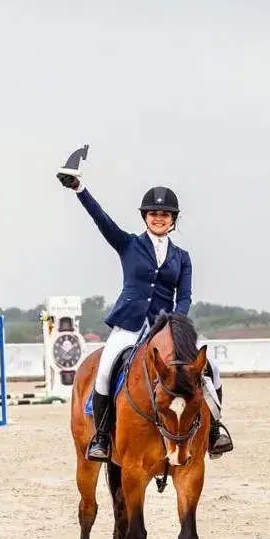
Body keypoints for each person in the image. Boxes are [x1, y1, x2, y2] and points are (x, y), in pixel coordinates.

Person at [56, 168, 233, 461]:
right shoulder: (129, 244)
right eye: (153, 212)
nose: (158, 217)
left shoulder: (182, 257)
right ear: (145, 217)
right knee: (104, 370)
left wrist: (176, 325)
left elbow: (185, 295)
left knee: (210, 365)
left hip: (169, 327)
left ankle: (215, 429)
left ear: (173, 219)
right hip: (130, 325)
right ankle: (101, 435)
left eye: (164, 213)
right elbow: (102, 220)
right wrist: (80, 189)